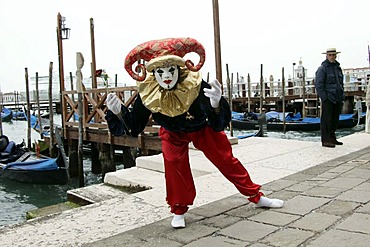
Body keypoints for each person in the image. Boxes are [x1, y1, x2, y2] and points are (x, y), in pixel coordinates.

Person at [105, 37, 283, 229]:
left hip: (201, 127)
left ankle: (256, 197)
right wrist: (119, 112)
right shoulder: (148, 92)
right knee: (174, 165)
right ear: (153, 73)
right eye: (160, 71)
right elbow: (135, 127)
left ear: (179, 69)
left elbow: (218, 122)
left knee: (225, 159)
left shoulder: (195, 84)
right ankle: (178, 210)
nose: (166, 76)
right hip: (172, 132)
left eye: (171, 70)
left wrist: (215, 104)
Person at [315, 48, 344, 148]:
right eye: (330, 55)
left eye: (333, 55)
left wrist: (342, 95)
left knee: (335, 119)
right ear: (327, 56)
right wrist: (324, 98)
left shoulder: (338, 68)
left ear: (336, 56)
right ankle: (326, 140)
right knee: (326, 119)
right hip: (328, 97)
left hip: (338, 97)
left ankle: (332, 137)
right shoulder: (322, 68)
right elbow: (319, 84)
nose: (332, 56)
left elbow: (340, 83)